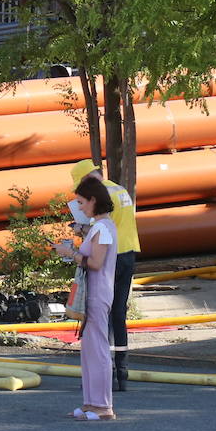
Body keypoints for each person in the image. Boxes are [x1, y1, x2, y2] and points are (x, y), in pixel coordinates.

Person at [70, 158, 139, 390]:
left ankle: (105, 373)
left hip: (111, 256)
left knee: (101, 315)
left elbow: (102, 228)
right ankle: (122, 372)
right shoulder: (119, 189)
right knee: (119, 314)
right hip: (129, 252)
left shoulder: (103, 195)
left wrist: (81, 230)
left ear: (86, 180)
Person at [54, 175, 118, 420]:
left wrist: (69, 252)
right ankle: (92, 403)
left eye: (81, 202)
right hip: (95, 291)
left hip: (97, 292)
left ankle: (103, 406)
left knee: (98, 347)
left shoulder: (102, 228)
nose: (79, 208)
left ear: (93, 200)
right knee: (90, 347)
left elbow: (96, 262)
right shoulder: (102, 226)